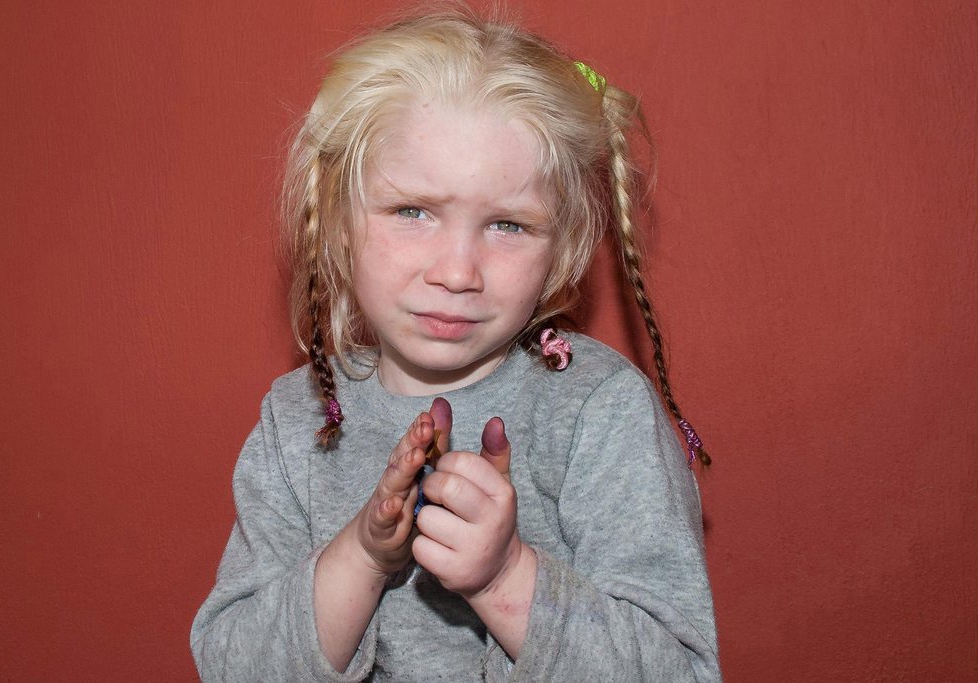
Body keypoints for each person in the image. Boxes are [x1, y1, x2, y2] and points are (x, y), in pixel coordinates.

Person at [191, 5, 720, 681]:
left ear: (562, 249)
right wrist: (361, 556)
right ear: (340, 222)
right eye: (413, 211)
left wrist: (504, 577)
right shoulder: (295, 425)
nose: (457, 272)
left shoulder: (599, 412)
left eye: (507, 225)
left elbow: (679, 670)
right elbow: (234, 664)